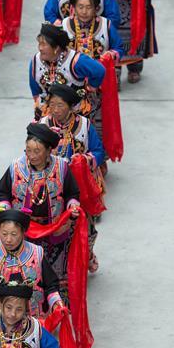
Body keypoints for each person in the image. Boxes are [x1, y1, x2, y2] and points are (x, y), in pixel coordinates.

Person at [0, 122, 81, 302]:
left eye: (37, 151)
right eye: (28, 150)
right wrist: (3, 206)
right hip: (24, 230)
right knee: (26, 269)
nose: (32, 156)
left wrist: (72, 206)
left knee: (54, 270)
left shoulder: (62, 167)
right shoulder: (16, 167)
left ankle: (57, 305)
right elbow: (2, 191)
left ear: (49, 150)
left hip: (54, 227)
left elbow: (72, 193)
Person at [40, 83, 105, 271]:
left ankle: (87, 254)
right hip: (52, 186)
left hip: (81, 186)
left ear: (70, 106)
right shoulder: (44, 124)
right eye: (52, 104)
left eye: (60, 105)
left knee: (85, 224)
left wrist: (83, 160)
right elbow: (32, 150)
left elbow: (98, 151)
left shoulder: (84, 125)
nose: (55, 109)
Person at [61, 0, 123, 138]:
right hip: (71, 82)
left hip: (100, 83)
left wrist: (110, 55)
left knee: (99, 121)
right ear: (73, 8)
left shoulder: (106, 26)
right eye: (80, 7)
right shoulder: (63, 26)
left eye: (88, 7)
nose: (84, 11)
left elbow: (119, 48)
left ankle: (97, 155)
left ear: (96, 8)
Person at [29, 24, 105, 117]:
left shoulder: (76, 61)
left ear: (56, 48)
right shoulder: (35, 61)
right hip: (47, 113)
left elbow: (99, 70)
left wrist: (91, 87)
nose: (40, 48)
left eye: (44, 45)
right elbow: (35, 89)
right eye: (39, 44)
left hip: (74, 112)